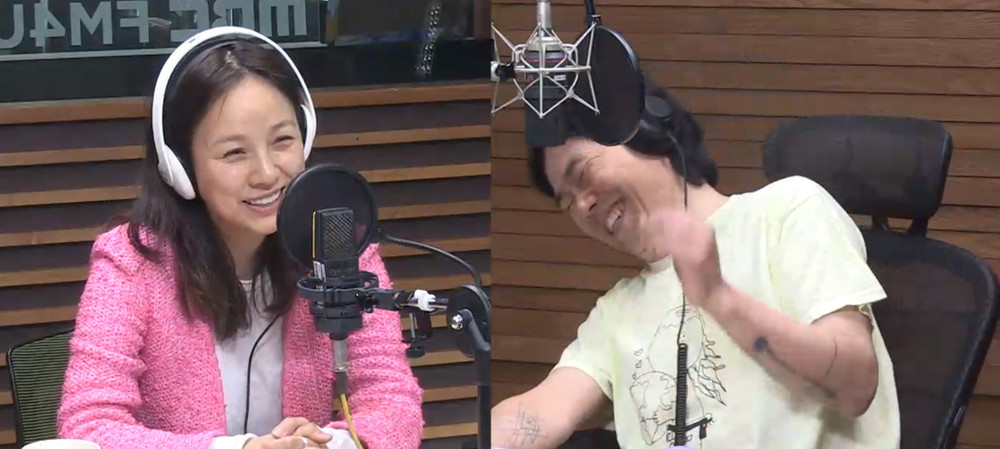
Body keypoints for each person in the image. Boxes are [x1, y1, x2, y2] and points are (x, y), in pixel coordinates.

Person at [57, 28, 424, 449]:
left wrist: (324, 445)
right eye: (235, 153)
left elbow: (393, 403)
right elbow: (87, 425)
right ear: (179, 167)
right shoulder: (132, 262)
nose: (267, 174)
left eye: (282, 140)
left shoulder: (339, 245)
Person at [491, 79, 900, 449]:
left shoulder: (786, 212)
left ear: (647, 132)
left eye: (583, 173)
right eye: (567, 202)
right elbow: (545, 410)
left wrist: (718, 297)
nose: (583, 206)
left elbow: (854, 385)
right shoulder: (617, 311)